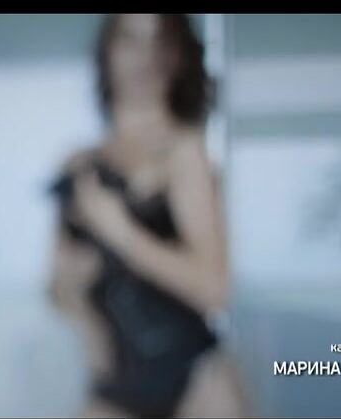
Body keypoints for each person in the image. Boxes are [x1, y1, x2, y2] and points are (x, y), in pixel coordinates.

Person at [48, 14, 248, 418]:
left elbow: (214, 288)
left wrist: (119, 231)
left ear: (177, 57)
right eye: (131, 39)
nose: (145, 55)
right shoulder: (79, 165)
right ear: (108, 51)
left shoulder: (184, 154)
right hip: (114, 385)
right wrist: (81, 311)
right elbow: (56, 286)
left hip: (197, 383)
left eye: (159, 41)